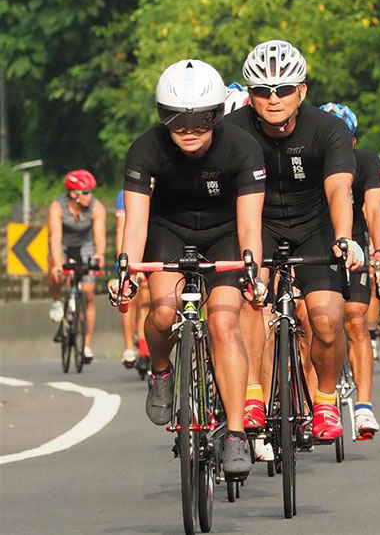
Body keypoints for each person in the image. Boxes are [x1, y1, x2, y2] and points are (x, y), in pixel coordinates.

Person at [110, 58, 265, 478]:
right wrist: (124, 270)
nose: (189, 130)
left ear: (216, 115)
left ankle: (234, 432)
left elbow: (251, 222)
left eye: (201, 120)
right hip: (168, 232)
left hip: (226, 236)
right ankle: (161, 370)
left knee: (224, 323)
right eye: (177, 120)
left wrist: (255, 271)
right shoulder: (145, 148)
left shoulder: (242, 147)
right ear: (162, 117)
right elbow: (137, 222)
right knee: (162, 310)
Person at [229, 40, 362, 442]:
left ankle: (324, 399)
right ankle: (252, 393)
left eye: (284, 89)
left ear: (302, 91)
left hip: (315, 227)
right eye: (262, 91)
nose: (273, 99)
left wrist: (344, 239)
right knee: (253, 298)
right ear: (249, 95)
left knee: (326, 320)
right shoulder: (231, 131)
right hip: (259, 223)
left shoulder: (328, 129)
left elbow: (340, 190)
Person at [319, 102, 380, 439]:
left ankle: (364, 406)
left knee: (357, 319)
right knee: (312, 322)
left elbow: (373, 210)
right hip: (316, 241)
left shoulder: (366, 162)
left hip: (355, 240)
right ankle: (318, 403)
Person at [48, 169, 106, 364]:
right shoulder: (57, 207)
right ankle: (57, 300)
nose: (90, 196)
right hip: (65, 245)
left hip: (86, 246)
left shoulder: (96, 208)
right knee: (53, 269)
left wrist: (99, 254)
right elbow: (55, 237)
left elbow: (99, 236)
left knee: (88, 293)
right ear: (74, 194)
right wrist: (57, 264)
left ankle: (86, 345)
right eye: (86, 192)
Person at [115, 189, 151, 371]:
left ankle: (145, 349)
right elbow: (122, 229)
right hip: (133, 245)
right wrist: (124, 262)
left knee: (146, 298)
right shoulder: (125, 195)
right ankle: (129, 346)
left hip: (154, 244)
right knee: (130, 294)